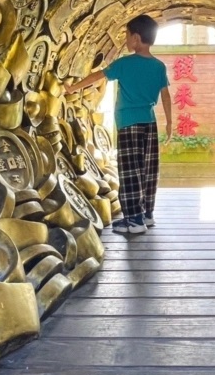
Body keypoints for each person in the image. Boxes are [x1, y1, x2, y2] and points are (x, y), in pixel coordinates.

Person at [64, 15, 172, 234]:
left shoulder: (124, 63)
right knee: (148, 170)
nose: (125, 39)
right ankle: (146, 214)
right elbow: (166, 95)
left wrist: (72, 88)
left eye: (126, 35)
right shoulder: (159, 66)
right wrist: (170, 123)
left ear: (136, 38)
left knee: (130, 170)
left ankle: (133, 221)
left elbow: (97, 76)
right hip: (149, 123)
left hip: (128, 123)